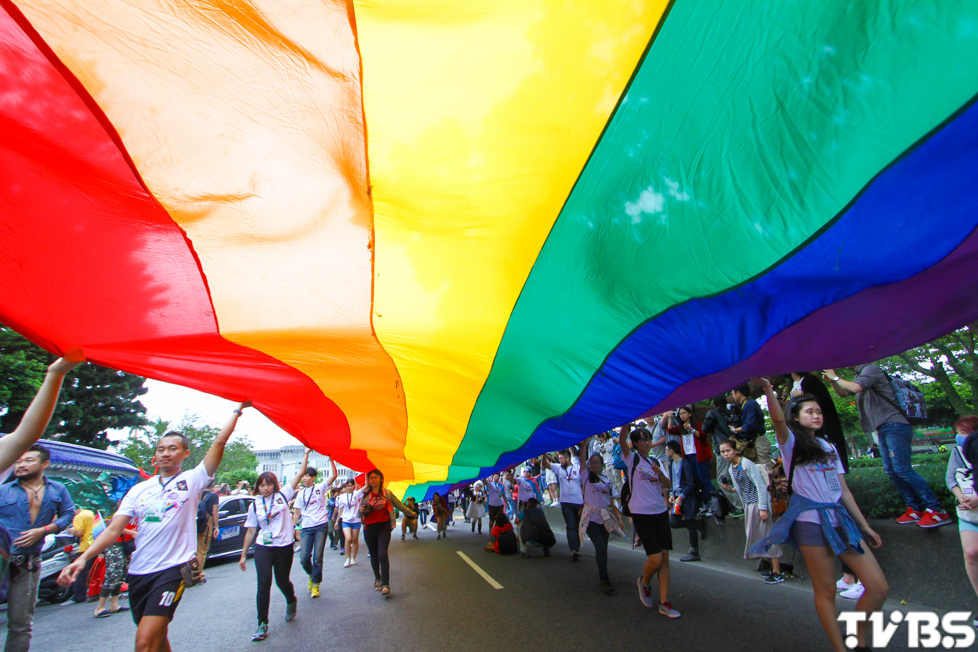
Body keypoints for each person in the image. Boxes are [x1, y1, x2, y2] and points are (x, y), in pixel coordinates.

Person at [59, 401, 251, 652]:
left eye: (173, 449)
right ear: (155, 456)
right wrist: (82, 559)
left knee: (144, 642)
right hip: (139, 572)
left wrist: (237, 411)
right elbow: (113, 530)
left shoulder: (192, 480)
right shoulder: (138, 490)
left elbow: (218, 444)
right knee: (157, 639)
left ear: (185, 454)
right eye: (161, 449)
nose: (166, 453)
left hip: (172, 570)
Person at [750, 381, 887, 652]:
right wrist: (767, 388)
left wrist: (864, 526)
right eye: (809, 411)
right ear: (796, 417)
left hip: (840, 520)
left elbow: (843, 490)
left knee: (878, 587)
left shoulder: (829, 446)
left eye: (819, 411)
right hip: (809, 521)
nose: (817, 415)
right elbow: (777, 418)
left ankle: (857, 640)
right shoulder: (790, 443)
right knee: (826, 591)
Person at [0, 352, 83, 652]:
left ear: (43, 464)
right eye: (18, 461)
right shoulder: (5, 489)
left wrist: (56, 374)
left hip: (27, 563)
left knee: (21, 626)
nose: (21, 464)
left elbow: (24, 435)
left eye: (28, 459)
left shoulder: (57, 490)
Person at [824, 365, 949, 528]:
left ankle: (936, 509)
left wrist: (835, 377)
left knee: (902, 468)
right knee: (891, 470)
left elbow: (856, 387)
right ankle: (915, 508)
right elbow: (844, 392)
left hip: (895, 424)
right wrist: (832, 381)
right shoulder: (860, 374)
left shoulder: (870, 368)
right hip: (883, 427)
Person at [239, 454, 308, 642]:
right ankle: (262, 623)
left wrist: (306, 454)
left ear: (274, 485)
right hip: (263, 547)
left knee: (282, 581)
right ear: (257, 487)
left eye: (268, 484)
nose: (265, 488)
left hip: (284, 547)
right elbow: (251, 531)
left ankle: (291, 600)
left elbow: (301, 472)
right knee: (263, 585)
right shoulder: (255, 505)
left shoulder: (283, 495)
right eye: (262, 485)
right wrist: (244, 555)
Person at [618, 424, 679, 618]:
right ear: (635, 443)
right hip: (642, 514)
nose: (646, 442)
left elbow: (668, 485)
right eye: (643, 439)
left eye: (648, 439)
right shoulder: (632, 459)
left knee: (665, 559)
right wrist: (627, 422)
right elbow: (621, 441)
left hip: (660, 512)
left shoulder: (655, 461)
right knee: (656, 559)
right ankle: (644, 583)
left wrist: (659, 473)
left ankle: (665, 602)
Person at [718, 439, 784, 583]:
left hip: (758, 504)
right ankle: (772, 568)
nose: (725, 454)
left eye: (728, 451)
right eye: (722, 452)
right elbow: (743, 487)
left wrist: (763, 508)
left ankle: (777, 571)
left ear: (735, 450)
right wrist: (731, 489)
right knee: (758, 537)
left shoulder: (746, 463)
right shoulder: (732, 468)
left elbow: (759, 485)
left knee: (767, 535)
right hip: (748, 505)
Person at [359, 469, 416, 596]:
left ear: (380, 478)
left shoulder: (387, 493)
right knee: (374, 555)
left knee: (382, 554)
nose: (372, 480)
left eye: (375, 477)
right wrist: (361, 510)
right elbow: (358, 513)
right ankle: (377, 578)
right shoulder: (364, 494)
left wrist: (410, 512)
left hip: (383, 526)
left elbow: (398, 505)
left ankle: (386, 584)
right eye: (370, 478)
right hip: (369, 527)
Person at [578, 437, 623, 593]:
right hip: (591, 519)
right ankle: (604, 578)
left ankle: (603, 571)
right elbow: (582, 459)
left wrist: (618, 517)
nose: (593, 465)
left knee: (604, 548)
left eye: (596, 463)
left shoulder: (607, 481)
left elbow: (612, 502)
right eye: (591, 463)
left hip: (605, 519)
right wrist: (584, 443)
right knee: (600, 547)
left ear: (602, 465)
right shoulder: (585, 477)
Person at [946, 415, 978, 628]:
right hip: (968, 514)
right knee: (971, 553)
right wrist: (961, 497)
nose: (960, 437)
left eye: (964, 433)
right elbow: (950, 479)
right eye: (958, 433)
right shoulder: (957, 453)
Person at [293, 455, 337, 598]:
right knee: (304, 558)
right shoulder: (300, 494)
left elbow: (334, 475)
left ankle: (316, 585)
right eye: (303, 476)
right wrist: (293, 527)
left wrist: (331, 460)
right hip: (306, 527)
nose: (304, 478)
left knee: (317, 557)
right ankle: (312, 574)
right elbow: (297, 512)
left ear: (313, 477)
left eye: (306, 476)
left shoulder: (320, 487)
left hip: (320, 526)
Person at [703, 396, 744, 516]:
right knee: (739, 474)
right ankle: (747, 502)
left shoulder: (713, 413)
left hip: (723, 450)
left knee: (723, 480)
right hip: (737, 448)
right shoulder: (732, 412)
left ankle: (740, 506)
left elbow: (705, 428)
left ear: (715, 405)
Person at [667, 406, 714, 509]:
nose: (682, 415)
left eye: (684, 413)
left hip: (699, 456)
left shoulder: (696, 424)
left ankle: (714, 501)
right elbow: (670, 431)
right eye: (680, 414)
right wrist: (670, 418)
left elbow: (703, 435)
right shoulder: (680, 427)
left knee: (704, 480)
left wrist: (691, 429)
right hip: (688, 457)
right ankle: (705, 502)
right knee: (696, 480)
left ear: (690, 414)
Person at [542, 450, 583, 560]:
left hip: (578, 502)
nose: (559, 460)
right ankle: (573, 549)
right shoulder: (558, 468)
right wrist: (544, 454)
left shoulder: (577, 468)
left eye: (561, 458)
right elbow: (545, 464)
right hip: (565, 502)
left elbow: (583, 485)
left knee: (578, 526)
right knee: (571, 526)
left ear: (568, 458)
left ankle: (576, 547)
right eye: (559, 459)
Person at [665, 441, 703, 563]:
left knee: (690, 522)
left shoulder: (685, 464)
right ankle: (697, 525)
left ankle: (694, 551)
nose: (666, 452)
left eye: (667, 450)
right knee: (673, 522)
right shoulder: (671, 464)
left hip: (686, 497)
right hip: (676, 497)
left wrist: (681, 497)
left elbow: (690, 484)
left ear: (672, 451)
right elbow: (672, 481)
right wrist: (671, 493)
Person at [730, 383, 772, 468]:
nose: (732, 395)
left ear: (738, 393)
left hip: (759, 440)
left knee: (765, 466)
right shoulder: (745, 405)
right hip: (753, 441)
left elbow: (750, 425)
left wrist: (735, 430)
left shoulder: (750, 404)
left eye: (733, 393)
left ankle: (776, 480)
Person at [65, 509, 96, 605]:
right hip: (94, 544)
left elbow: (79, 533)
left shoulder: (78, 517)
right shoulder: (90, 513)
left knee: (78, 573)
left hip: (84, 546)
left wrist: (69, 530)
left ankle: (79, 596)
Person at [333, 479, 363, 565]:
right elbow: (341, 509)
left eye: (351, 485)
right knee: (348, 538)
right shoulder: (342, 497)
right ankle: (348, 558)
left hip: (355, 520)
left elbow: (365, 488)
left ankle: (353, 557)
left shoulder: (357, 493)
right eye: (348, 486)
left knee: (355, 539)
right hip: (345, 520)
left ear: (354, 486)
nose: (350, 487)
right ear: (346, 487)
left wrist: (365, 477)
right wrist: (336, 521)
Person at [195, 480, 219, 584]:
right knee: (202, 550)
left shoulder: (196, 494)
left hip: (193, 525)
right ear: (212, 485)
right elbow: (215, 511)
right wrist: (216, 526)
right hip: (206, 525)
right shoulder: (213, 496)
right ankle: (198, 574)